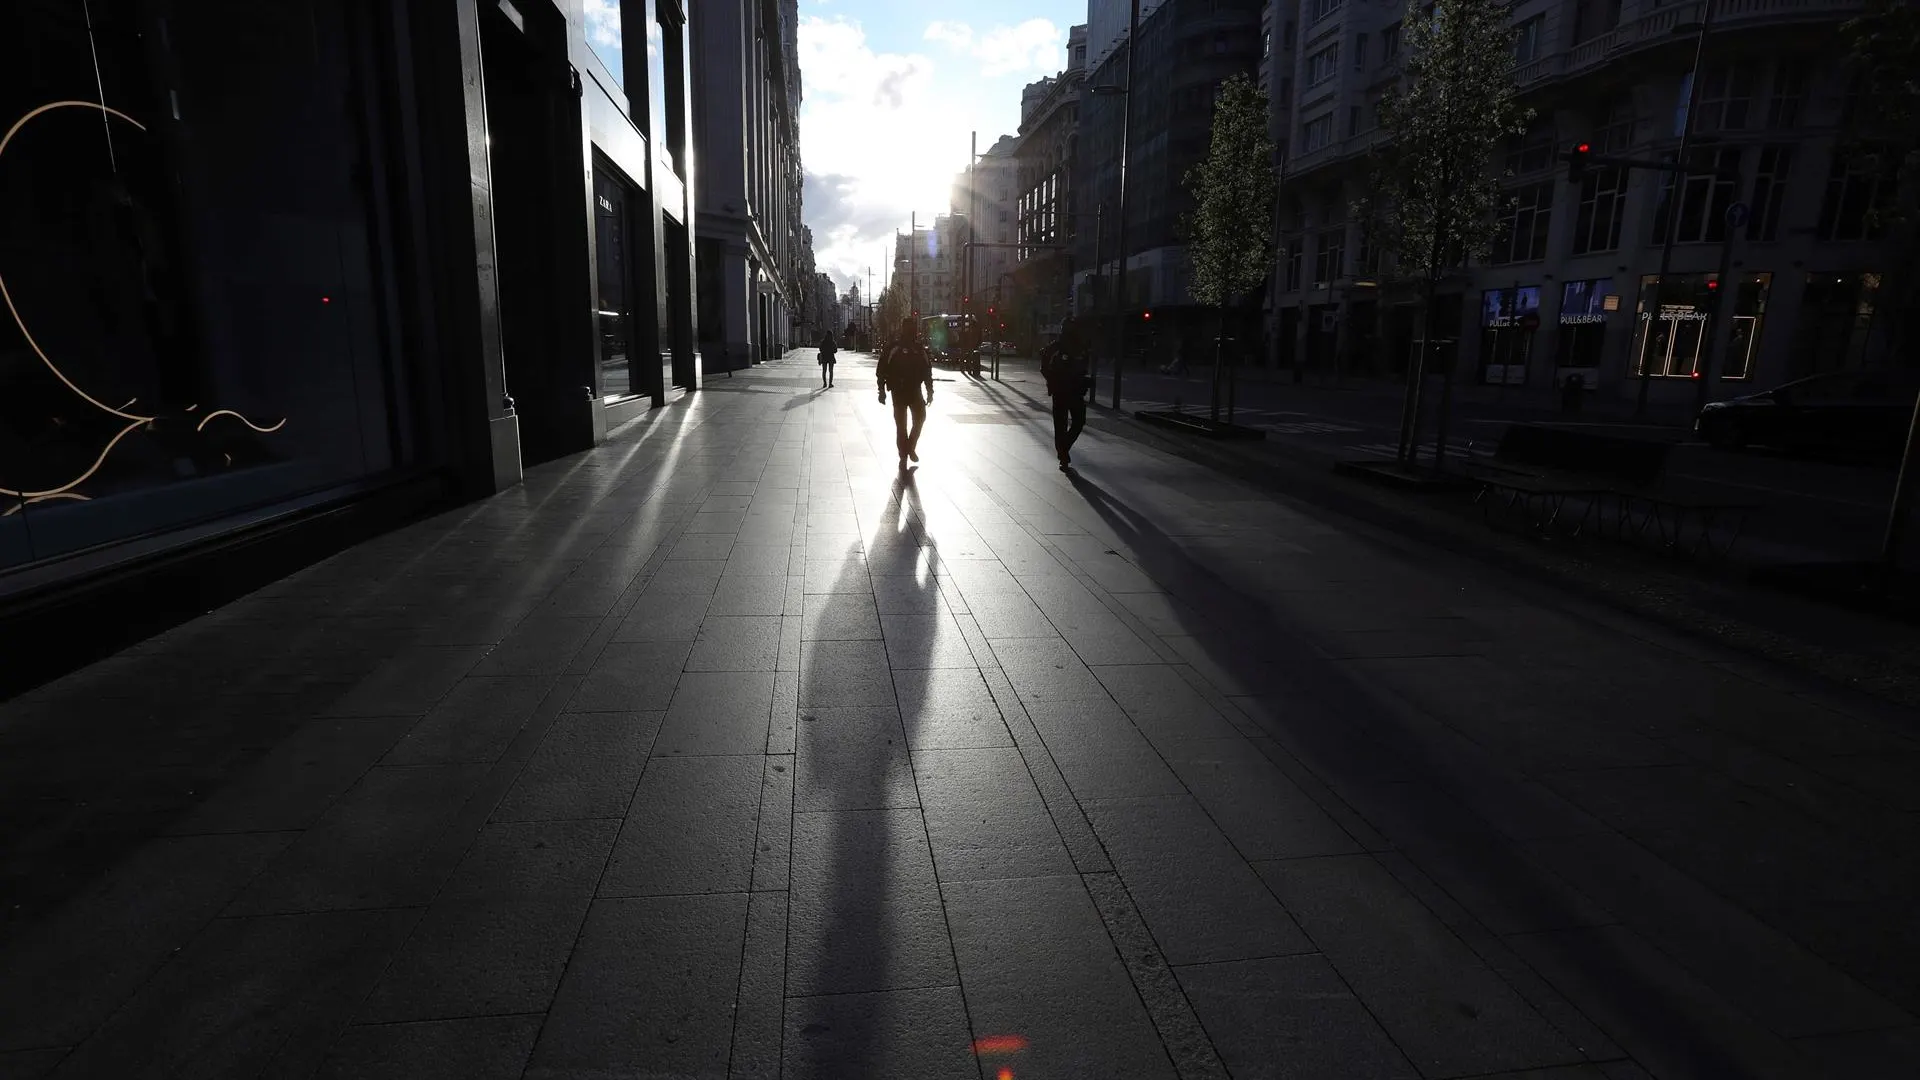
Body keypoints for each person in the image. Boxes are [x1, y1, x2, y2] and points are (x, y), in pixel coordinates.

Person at [877, 316, 935, 468]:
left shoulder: (919, 348)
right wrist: (881, 390)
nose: (912, 331)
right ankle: (904, 453)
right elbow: (881, 369)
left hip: (915, 390)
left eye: (913, 328)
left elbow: (927, 371)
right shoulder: (894, 348)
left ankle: (909, 447)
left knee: (920, 418)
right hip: (898, 390)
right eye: (909, 328)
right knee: (901, 425)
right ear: (903, 329)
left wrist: (930, 391)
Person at [1042, 313, 1092, 470]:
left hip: (1073, 391)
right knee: (1065, 423)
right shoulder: (1056, 348)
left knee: (1071, 423)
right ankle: (1063, 454)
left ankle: (1063, 449)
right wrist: (1053, 380)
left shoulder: (1079, 348)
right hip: (1063, 391)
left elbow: (1083, 367)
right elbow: (1045, 367)